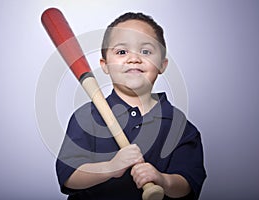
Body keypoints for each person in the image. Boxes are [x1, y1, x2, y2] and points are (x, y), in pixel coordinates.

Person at [56, 12, 206, 200]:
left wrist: (163, 180)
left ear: (162, 64)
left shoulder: (178, 124)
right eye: (121, 52)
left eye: (146, 51)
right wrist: (110, 168)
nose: (133, 58)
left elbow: (188, 183)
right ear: (105, 65)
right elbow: (69, 177)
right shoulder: (86, 116)